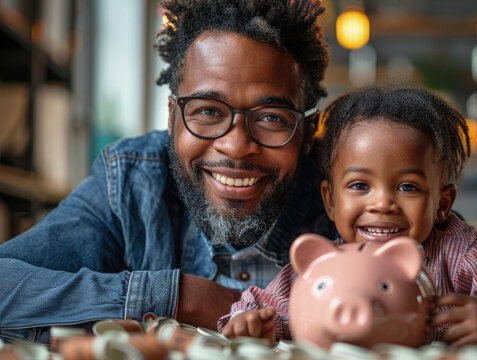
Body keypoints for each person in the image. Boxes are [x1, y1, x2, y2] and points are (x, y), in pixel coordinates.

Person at [0, 0, 332, 343]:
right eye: (207, 110)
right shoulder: (132, 183)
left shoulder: (349, 202)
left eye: (271, 118)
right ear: (172, 117)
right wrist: (178, 296)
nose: (235, 146)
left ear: (307, 134)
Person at [218, 86, 477, 346]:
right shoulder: (318, 266)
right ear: (330, 200)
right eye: (359, 186)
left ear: (443, 203)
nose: (383, 204)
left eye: (408, 187)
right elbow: (256, 310)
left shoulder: (465, 259)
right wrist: (251, 325)